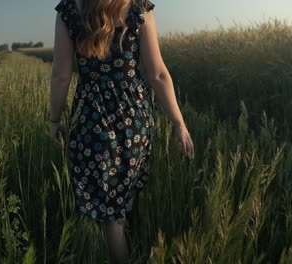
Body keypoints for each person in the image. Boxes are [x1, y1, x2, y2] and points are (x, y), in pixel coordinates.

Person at [49, 0, 195, 263]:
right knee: (122, 200)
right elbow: (157, 75)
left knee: (110, 217)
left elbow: (61, 75)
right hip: (134, 119)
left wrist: (54, 120)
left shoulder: (70, 10)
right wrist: (178, 122)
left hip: (91, 121)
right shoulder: (138, 8)